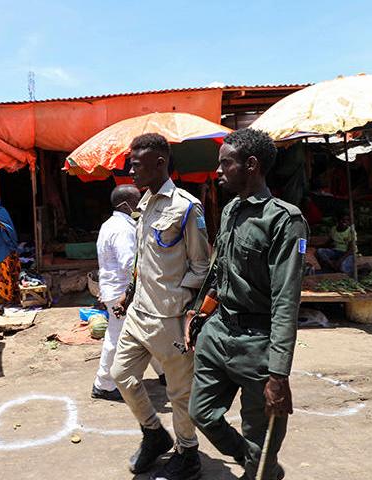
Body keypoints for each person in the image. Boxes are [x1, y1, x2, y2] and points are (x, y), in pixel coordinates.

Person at [188, 128, 308, 480]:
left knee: (262, 438)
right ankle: (257, 463)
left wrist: (278, 372)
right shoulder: (230, 212)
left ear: (251, 165)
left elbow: (287, 299)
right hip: (218, 332)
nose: (218, 171)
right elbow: (218, 270)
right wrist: (200, 316)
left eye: (225, 163)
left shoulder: (285, 220)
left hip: (257, 344)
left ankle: (260, 467)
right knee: (202, 413)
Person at [111, 133, 210, 480]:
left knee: (180, 394)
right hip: (139, 313)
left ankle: (188, 453)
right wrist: (130, 290)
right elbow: (143, 256)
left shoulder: (187, 207)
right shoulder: (144, 202)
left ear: (159, 163)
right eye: (130, 162)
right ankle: (154, 434)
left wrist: (184, 306)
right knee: (120, 375)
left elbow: (202, 266)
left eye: (137, 164)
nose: (131, 170)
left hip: (171, 319)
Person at [92, 184, 165, 402]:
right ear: (125, 204)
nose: (140, 204)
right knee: (117, 339)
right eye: (136, 201)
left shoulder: (111, 224)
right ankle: (103, 384)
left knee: (147, 331)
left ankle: (163, 372)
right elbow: (129, 264)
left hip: (118, 289)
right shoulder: (122, 229)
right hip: (122, 292)